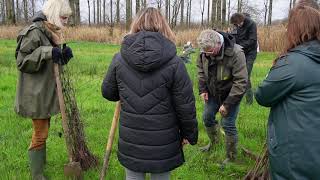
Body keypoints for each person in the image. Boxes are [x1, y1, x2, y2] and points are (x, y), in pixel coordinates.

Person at [101, 7, 198, 180]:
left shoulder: (119, 59)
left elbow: (108, 92)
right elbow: (185, 106)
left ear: (136, 25)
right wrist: (189, 134)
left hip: (131, 139)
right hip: (163, 141)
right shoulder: (174, 63)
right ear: (163, 26)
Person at [255, 2, 320, 179]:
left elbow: (262, 96)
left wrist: (275, 68)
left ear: (294, 30)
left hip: (296, 154)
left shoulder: (292, 63)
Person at [14, 0, 73, 179]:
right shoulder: (34, 32)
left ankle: (40, 163)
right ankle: (37, 175)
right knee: (40, 133)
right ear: (54, 14)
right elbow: (22, 61)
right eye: (64, 17)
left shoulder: (49, 31)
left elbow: (49, 64)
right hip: (35, 94)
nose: (67, 21)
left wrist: (61, 57)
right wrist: (48, 52)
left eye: (68, 18)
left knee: (43, 130)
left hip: (45, 92)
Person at [196, 29, 247, 163]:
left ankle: (231, 157)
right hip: (213, 93)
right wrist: (203, 89)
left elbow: (241, 82)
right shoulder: (204, 51)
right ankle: (215, 143)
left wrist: (227, 104)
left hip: (232, 94)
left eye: (210, 51)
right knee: (207, 117)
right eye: (205, 52)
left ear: (218, 43)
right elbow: (201, 71)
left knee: (228, 123)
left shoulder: (236, 53)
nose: (208, 54)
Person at [230, 13, 257, 105]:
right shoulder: (236, 25)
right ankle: (236, 98)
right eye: (236, 25)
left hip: (250, 53)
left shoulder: (251, 24)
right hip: (240, 52)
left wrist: (239, 46)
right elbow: (235, 37)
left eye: (238, 24)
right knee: (236, 74)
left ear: (242, 20)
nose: (237, 26)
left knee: (246, 75)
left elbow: (253, 40)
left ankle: (249, 101)